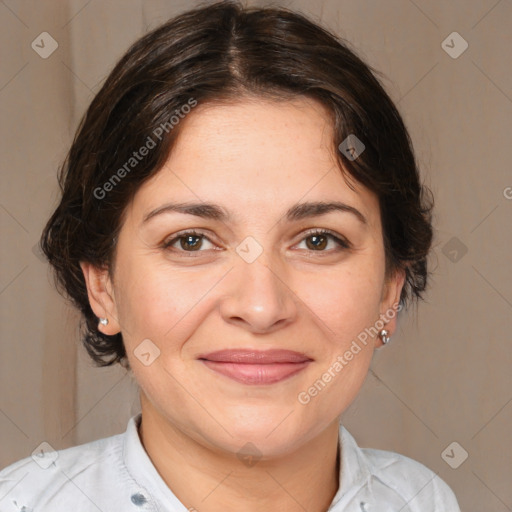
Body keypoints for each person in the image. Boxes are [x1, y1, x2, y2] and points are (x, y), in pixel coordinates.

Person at [0, 1, 461, 510]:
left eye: (318, 240)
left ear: (389, 290)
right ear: (102, 285)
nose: (261, 307)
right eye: (191, 241)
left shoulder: (425, 500)